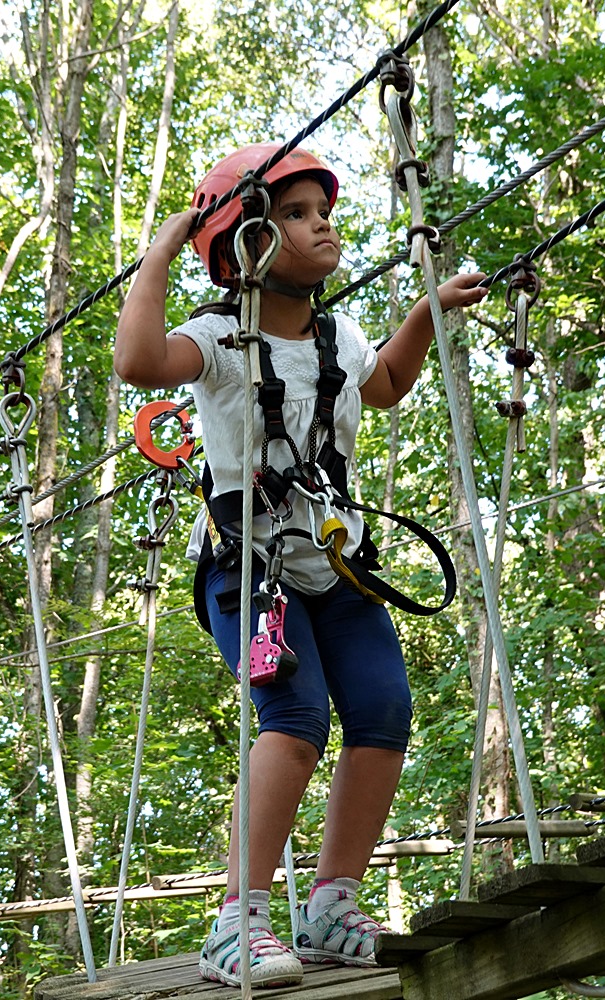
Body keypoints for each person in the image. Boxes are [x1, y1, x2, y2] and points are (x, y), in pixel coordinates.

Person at [114, 142, 487, 989]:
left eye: (323, 212)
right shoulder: (215, 340)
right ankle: (236, 919)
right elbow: (138, 363)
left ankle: (330, 901)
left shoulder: (340, 335)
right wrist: (162, 253)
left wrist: (425, 315)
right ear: (246, 242)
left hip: (339, 567)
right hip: (250, 573)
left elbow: (385, 383)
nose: (322, 226)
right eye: (295, 214)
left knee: (385, 712)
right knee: (295, 719)